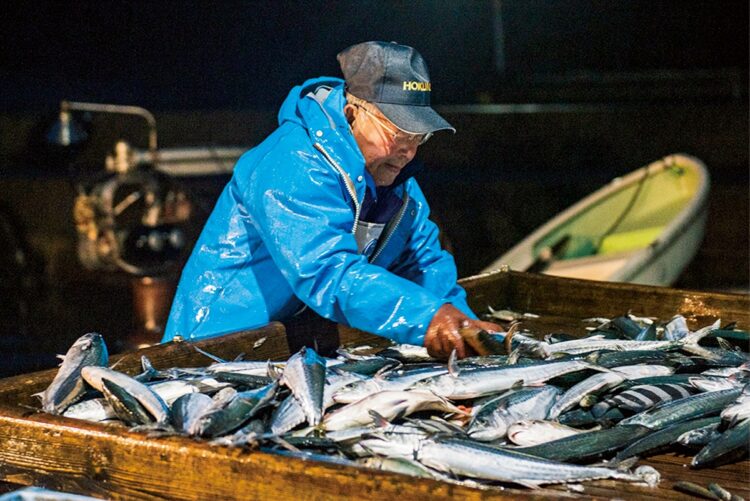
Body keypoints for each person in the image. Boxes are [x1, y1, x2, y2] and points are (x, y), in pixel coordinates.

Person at [161, 41, 501, 358]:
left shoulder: (395, 180)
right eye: (397, 132)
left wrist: (465, 327)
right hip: (217, 351)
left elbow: (422, 263)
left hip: (300, 350)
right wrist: (426, 318)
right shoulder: (292, 164)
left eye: (419, 136)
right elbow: (327, 271)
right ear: (353, 114)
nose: (408, 151)